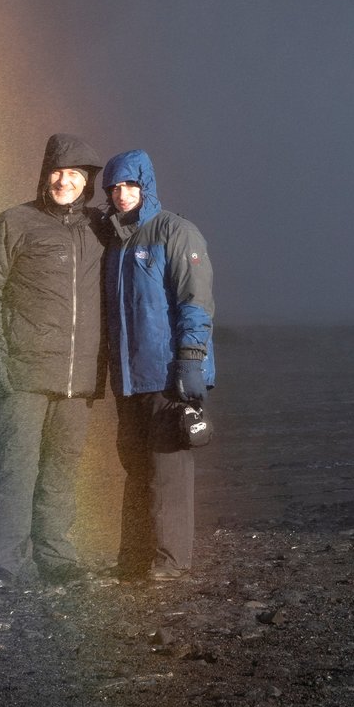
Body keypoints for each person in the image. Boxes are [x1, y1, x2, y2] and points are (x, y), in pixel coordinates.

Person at [0, 132, 105, 587]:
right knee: (14, 467)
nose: (65, 181)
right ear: (46, 175)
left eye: (76, 174)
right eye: (58, 172)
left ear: (88, 181)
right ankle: (3, 562)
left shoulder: (102, 229)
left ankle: (55, 556)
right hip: (23, 370)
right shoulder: (15, 222)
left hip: (79, 377)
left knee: (62, 471)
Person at [99, 149, 214, 581]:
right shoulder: (116, 241)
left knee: (169, 470)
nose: (121, 194)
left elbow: (196, 300)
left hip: (168, 374)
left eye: (130, 185)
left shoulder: (175, 231)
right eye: (114, 187)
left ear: (146, 186)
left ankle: (171, 560)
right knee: (134, 466)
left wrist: (190, 361)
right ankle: (133, 558)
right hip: (130, 377)